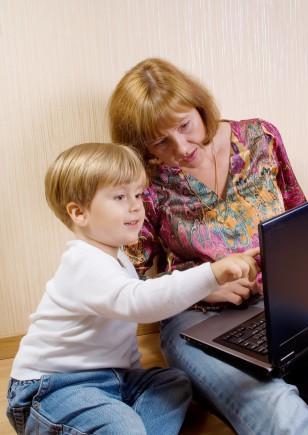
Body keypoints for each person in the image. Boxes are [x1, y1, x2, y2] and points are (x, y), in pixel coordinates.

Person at [108, 58, 308, 434]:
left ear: (199, 106)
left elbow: (297, 217)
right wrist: (205, 280)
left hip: (289, 304)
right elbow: (130, 283)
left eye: (185, 125)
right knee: (274, 407)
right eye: (160, 141)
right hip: (198, 320)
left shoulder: (260, 138)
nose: (181, 146)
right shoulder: (144, 182)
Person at [7, 142, 259, 435]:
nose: (136, 206)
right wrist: (211, 274)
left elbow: (142, 294)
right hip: (54, 386)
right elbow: (139, 302)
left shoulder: (115, 257)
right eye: (119, 196)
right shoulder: (83, 262)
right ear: (79, 213)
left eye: (138, 194)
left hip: (114, 379)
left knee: (172, 383)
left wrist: (205, 290)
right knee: (122, 425)